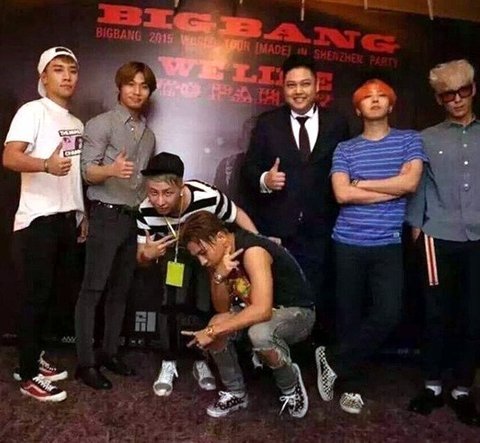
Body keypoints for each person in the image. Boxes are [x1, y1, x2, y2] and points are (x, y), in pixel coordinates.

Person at [315, 79, 426, 414]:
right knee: (349, 317)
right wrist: (392, 188)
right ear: (358, 108)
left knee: (388, 314)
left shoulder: (409, 140)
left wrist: (363, 184)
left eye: (382, 96)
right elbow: (342, 193)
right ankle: (351, 387)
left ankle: (332, 359)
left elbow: (411, 183)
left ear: (391, 105)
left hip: (388, 243)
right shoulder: (346, 149)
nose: (375, 100)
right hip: (347, 242)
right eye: (367, 97)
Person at [241, 54, 349, 332]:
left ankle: (316, 351)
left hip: (323, 229)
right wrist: (265, 179)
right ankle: (276, 351)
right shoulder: (267, 123)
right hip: (280, 229)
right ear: (283, 88)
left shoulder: (337, 123)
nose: (298, 91)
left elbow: (349, 168)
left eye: (305, 84)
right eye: (291, 85)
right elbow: (248, 169)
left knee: (320, 298)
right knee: (280, 298)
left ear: (317, 86)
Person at [3, 46, 86, 402]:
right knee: (34, 299)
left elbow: (73, 174)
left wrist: (81, 213)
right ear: (44, 77)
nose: (66, 76)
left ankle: (31, 358)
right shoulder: (32, 111)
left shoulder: (76, 123)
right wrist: (44, 166)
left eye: (72, 70)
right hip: (37, 220)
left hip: (65, 220)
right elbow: (10, 156)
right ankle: (28, 377)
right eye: (58, 69)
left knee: (51, 298)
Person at [136, 152, 257, 397]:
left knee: (204, 304)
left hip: (205, 254)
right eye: (153, 192)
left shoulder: (207, 196)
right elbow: (141, 258)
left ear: (181, 187)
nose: (159, 201)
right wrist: (147, 255)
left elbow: (237, 214)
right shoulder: (145, 210)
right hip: (173, 254)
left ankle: (201, 361)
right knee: (170, 304)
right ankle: (169, 361)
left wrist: (259, 244)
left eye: (167, 193)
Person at [179, 211, 315, 419]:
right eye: (197, 256)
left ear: (221, 237)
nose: (202, 261)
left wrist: (212, 331)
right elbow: (222, 310)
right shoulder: (218, 257)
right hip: (257, 309)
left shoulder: (253, 251)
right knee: (217, 322)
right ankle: (236, 392)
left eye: (203, 253)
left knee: (258, 333)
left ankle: (290, 385)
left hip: (297, 313)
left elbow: (262, 310)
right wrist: (219, 276)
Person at [406, 59, 480, 427]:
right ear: (439, 99)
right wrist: (416, 226)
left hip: (477, 236)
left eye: (463, 91)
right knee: (436, 314)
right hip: (437, 234)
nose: (457, 100)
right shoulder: (426, 138)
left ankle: (462, 390)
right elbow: (419, 186)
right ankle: (432, 385)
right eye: (448, 95)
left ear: (473, 90)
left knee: (473, 315)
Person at [75, 61, 157, 390]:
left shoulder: (149, 135)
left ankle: (109, 353)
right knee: (92, 289)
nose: (137, 91)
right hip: (106, 214)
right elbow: (86, 171)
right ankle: (85, 363)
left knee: (120, 292)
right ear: (119, 87)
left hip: (131, 218)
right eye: (130, 84)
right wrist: (111, 170)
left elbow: (142, 184)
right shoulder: (101, 124)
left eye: (144, 86)